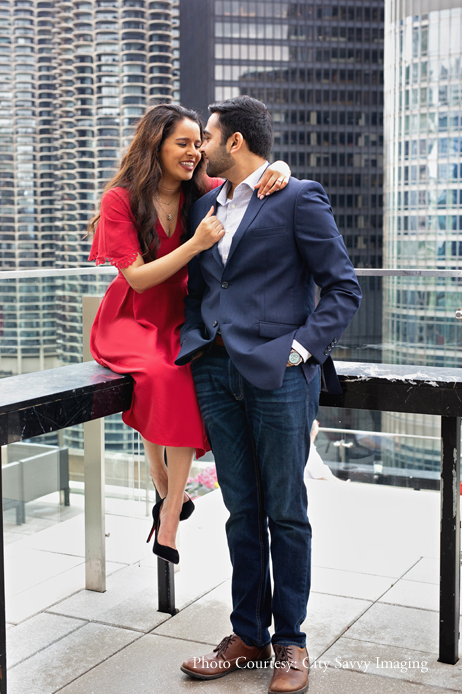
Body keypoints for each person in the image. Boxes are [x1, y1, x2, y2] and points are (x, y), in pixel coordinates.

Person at [176, 96, 362, 694]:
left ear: (235, 142)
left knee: (286, 511)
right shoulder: (203, 203)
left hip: (280, 377)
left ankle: (291, 645)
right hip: (215, 371)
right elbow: (203, 282)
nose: (199, 146)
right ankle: (248, 633)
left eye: (206, 136)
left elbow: (343, 288)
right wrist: (197, 342)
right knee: (242, 512)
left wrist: (298, 351)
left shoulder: (297, 196)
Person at [87, 103, 290, 564]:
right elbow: (136, 279)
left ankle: (169, 510)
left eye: (199, 143)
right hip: (133, 316)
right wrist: (197, 243)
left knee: (179, 379)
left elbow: (251, 175)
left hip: (183, 315)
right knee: (164, 377)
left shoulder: (204, 190)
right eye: (184, 143)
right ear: (154, 144)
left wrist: (279, 165)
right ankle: (168, 499)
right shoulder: (120, 199)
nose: (196, 152)